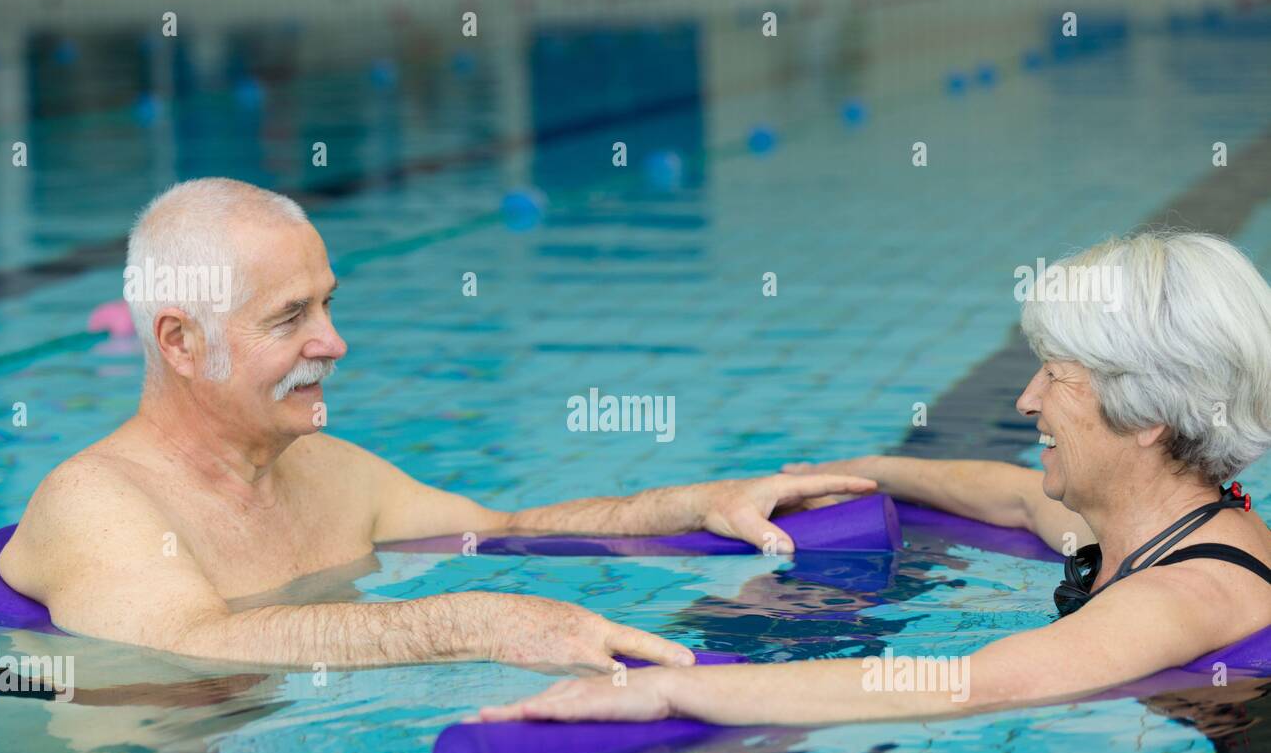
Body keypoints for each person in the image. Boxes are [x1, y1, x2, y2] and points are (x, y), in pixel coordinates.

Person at [0, 178, 871, 671]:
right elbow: (190, 646)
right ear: (181, 343)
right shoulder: (97, 503)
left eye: (328, 305)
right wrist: (478, 625)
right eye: (289, 317)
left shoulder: (328, 471)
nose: (333, 343)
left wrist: (698, 502)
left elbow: (502, 532)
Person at [481, 231, 1271, 724]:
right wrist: (860, 471)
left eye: (1057, 378)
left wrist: (667, 690)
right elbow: (1013, 493)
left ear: (1144, 418)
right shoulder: (1156, 520)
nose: (1028, 400)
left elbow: (965, 685)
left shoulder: (1180, 596)